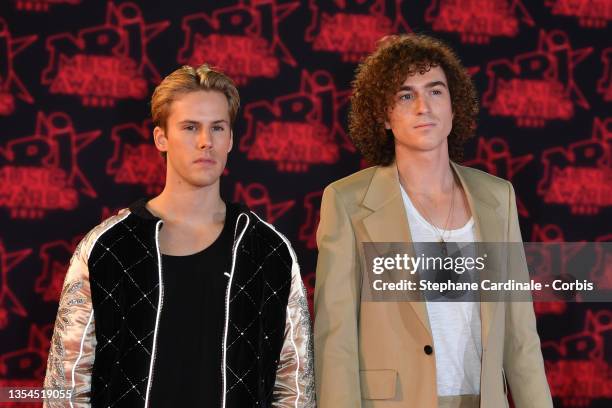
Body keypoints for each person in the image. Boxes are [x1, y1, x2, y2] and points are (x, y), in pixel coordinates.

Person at [43, 64, 314, 408]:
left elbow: (295, 385)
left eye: (217, 127)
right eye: (190, 127)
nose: (206, 141)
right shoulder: (108, 247)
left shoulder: (268, 250)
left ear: (230, 138)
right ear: (161, 138)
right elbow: (65, 382)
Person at [314, 34, 552, 407]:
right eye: (406, 95)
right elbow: (336, 339)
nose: (423, 106)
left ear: (454, 107)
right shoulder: (347, 202)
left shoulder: (497, 197)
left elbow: (521, 335)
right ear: (383, 115)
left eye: (435, 91)